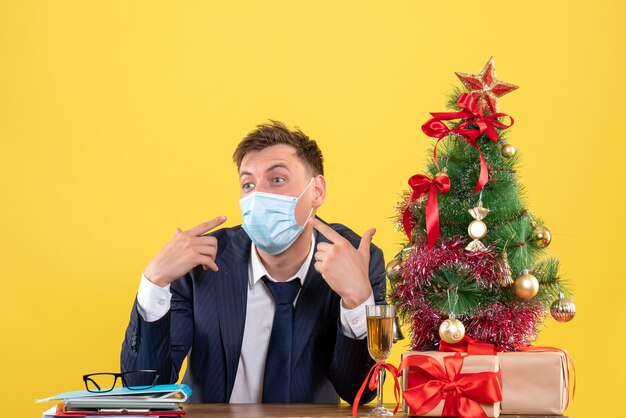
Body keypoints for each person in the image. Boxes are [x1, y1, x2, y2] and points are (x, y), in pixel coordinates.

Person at [120, 121, 386, 404]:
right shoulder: (201, 262)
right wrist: (154, 282)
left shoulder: (358, 260)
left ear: (316, 190)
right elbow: (143, 386)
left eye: (277, 179)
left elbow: (360, 391)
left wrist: (358, 299)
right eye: (248, 184)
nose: (258, 196)